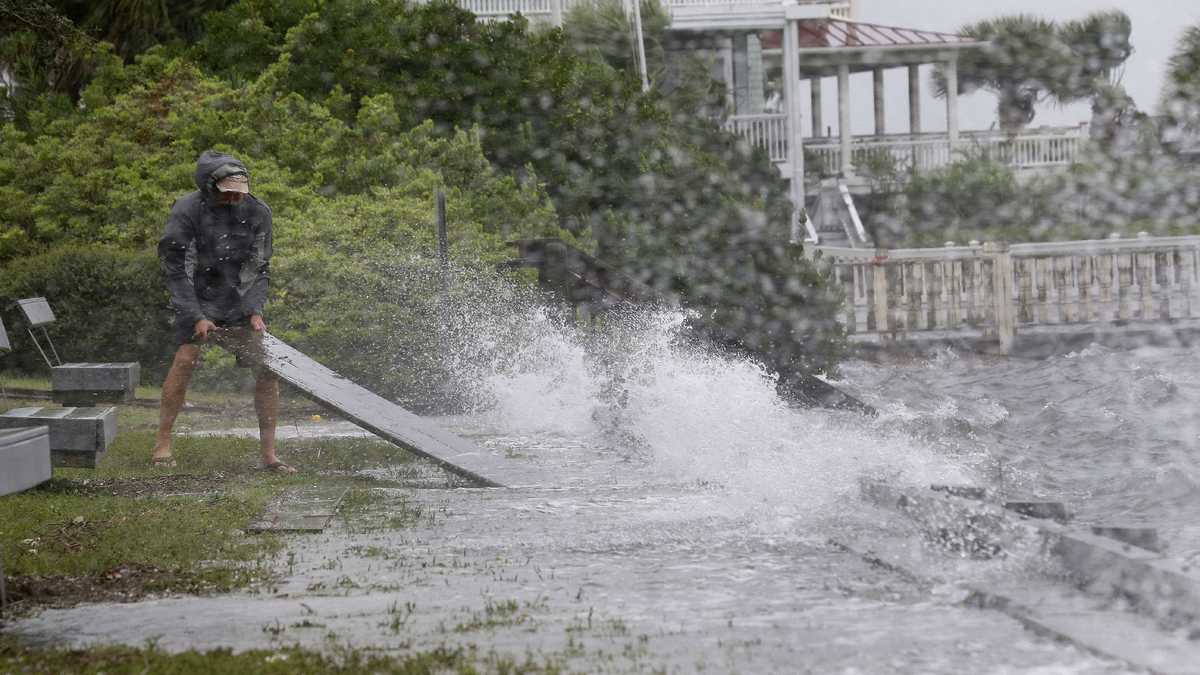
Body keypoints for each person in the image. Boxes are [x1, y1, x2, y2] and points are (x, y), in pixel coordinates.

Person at [150, 150, 296, 473]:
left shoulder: (258, 212)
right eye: (227, 192)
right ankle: (163, 442)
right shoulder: (186, 211)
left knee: (268, 367)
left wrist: (254, 310)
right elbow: (176, 268)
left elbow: (259, 267)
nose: (233, 198)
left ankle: (269, 455)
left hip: (237, 297)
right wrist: (196, 315)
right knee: (186, 358)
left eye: (238, 192)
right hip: (195, 293)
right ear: (208, 186)